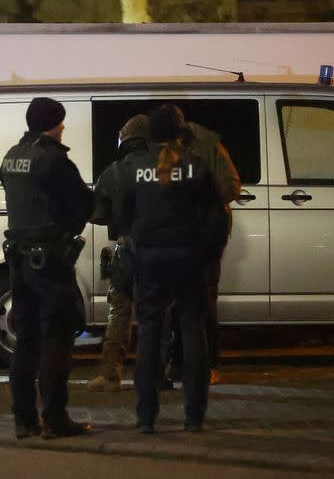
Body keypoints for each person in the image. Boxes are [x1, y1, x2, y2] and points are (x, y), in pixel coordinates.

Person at [118, 104, 227, 433]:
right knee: (193, 331)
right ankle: (194, 417)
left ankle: (146, 417)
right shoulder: (195, 166)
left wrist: (140, 245)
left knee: (149, 334)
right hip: (188, 258)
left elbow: (123, 216)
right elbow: (217, 219)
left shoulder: (133, 167)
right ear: (180, 133)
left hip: (149, 259)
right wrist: (204, 255)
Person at [0, 97, 94, 440]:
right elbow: (82, 204)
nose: (63, 127)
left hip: (20, 259)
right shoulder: (54, 161)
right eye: (60, 121)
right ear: (52, 123)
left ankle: (23, 420)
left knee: (26, 339)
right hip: (50, 260)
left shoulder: (12, 156)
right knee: (57, 335)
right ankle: (54, 418)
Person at [165, 105, 241, 387]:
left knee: (204, 301)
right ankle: (177, 363)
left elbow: (232, 185)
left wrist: (197, 198)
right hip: (175, 235)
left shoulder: (207, 143)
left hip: (205, 235)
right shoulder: (162, 148)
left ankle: (207, 365)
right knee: (174, 303)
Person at [87, 115, 149, 392]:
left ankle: (110, 374)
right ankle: (160, 373)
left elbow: (96, 214)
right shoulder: (169, 168)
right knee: (158, 316)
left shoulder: (114, 171)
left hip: (127, 252)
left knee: (119, 314)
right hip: (164, 253)